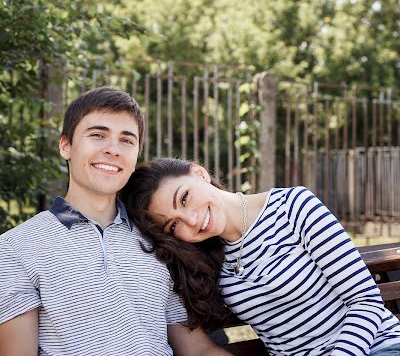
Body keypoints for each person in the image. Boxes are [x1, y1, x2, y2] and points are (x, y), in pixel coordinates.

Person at [0, 88, 229, 356]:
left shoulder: (155, 238)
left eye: (126, 140)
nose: (113, 150)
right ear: (66, 146)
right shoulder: (16, 248)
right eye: (97, 135)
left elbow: (197, 350)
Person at [121, 157, 400, 356]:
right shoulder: (206, 260)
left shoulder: (293, 207)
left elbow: (366, 303)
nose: (191, 220)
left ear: (199, 174)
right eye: (173, 225)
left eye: (183, 198)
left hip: (376, 347)